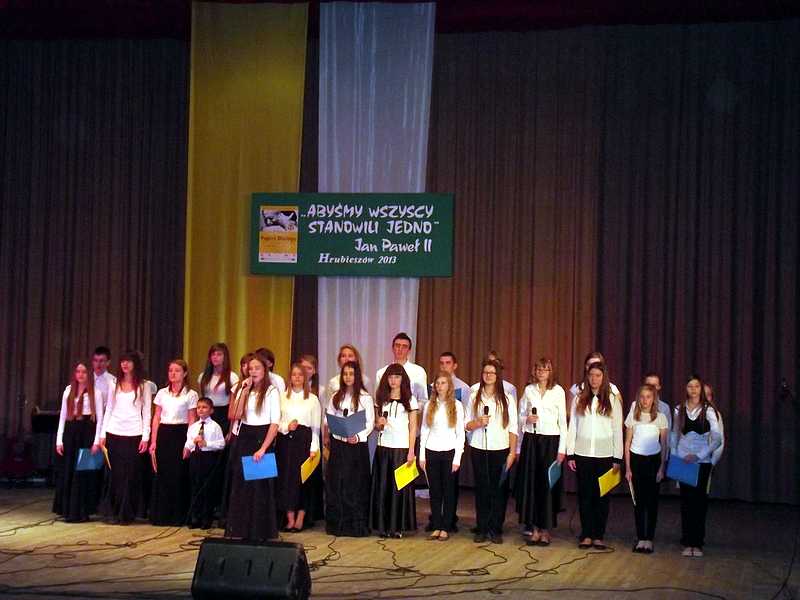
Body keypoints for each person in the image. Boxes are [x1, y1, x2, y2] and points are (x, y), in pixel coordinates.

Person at [566, 362, 623, 550]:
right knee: (585, 496)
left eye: (598, 375)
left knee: (602, 496)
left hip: (605, 455)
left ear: (603, 377)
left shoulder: (612, 399)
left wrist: (617, 458)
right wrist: (570, 453)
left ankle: (598, 535)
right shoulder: (579, 398)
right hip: (582, 454)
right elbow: (573, 426)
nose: (594, 379)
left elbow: (617, 430)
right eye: (591, 375)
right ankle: (586, 534)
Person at [225, 354, 281, 541]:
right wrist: (244, 392)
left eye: (257, 368)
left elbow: (274, 423)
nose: (253, 372)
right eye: (250, 369)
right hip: (245, 437)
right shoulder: (244, 389)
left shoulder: (271, 391)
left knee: (260, 487)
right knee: (242, 485)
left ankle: (261, 530)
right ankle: (241, 528)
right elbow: (235, 414)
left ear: (265, 370)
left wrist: (263, 448)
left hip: (262, 437)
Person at [465, 359, 518, 544]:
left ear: (497, 376)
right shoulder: (474, 396)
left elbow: (513, 428)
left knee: (499, 490)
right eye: (485, 372)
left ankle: (496, 528)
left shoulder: (507, 398)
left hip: (501, 449)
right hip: (479, 448)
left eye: (491, 373)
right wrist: (477, 422)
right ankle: (481, 527)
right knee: (482, 489)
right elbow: (466, 424)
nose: (488, 376)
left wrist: (512, 453)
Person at [515, 358, 567, 546]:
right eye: (538, 369)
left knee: (547, 486)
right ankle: (535, 529)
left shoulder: (558, 391)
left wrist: (562, 449)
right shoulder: (529, 390)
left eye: (545, 369)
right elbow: (519, 416)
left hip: (551, 442)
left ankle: (546, 530)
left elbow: (563, 422)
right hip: (531, 440)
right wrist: (526, 419)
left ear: (550, 372)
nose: (541, 372)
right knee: (532, 485)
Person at [671, 375, 722, 558]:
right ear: (686, 388)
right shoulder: (679, 409)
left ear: (701, 389)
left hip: (701, 462)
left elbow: (717, 438)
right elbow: (674, 435)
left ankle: (697, 543)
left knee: (699, 504)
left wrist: (699, 455)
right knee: (686, 503)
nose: (693, 390)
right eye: (690, 386)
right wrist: (676, 457)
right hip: (683, 461)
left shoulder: (708, 410)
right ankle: (687, 542)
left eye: (696, 386)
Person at [99, 350, 152, 524]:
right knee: (115, 475)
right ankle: (113, 512)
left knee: (130, 475)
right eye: (122, 361)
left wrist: (145, 437)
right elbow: (109, 409)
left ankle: (127, 513)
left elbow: (147, 412)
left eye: (128, 361)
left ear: (135, 364)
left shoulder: (144, 386)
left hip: (134, 433)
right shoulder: (114, 384)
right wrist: (102, 433)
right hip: (114, 432)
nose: (125, 364)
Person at [323, 361, 374, 537]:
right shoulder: (336, 396)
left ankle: (356, 525)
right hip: (339, 445)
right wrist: (333, 427)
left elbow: (370, 422)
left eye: (351, 374)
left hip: (356, 446)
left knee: (355, 484)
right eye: (345, 374)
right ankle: (337, 525)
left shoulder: (365, 398)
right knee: (337, 483)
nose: (348, 377)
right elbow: (328, 418)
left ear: (357, 375)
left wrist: (357, 436)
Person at [371, 364, 419, 538]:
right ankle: (382, 526)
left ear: (402, 379)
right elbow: (376, 426)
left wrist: (411, 451)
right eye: (390, 377)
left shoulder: (410, 400)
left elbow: (413, 427)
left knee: (399, 489)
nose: (393, 380)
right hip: (383, 447)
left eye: (397, 377)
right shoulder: (381, 399)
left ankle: (397, 527)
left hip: (402, 448)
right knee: (383, 487)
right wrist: (378, 424)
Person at [53, 360, 104, 522]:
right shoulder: (68, 391)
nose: (80, 375)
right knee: (69, 470)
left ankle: (82, 511)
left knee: (84, 472)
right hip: (71, 432)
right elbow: (63, 417)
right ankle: (69, 510)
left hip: (87, 433)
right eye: (78, 371)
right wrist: (59, 440)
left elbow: (100, 419)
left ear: (89, 374)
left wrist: (97, 441)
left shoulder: (96, 393)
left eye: (84, 372)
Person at [149, 359, 198, 526]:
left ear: (185, 373)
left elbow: (192, 420)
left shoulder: (191, 394)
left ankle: (178, 516)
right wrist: (153, 441)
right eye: (170, 370)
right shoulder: (162, 393)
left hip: (181, 433)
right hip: (164, 433)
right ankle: (161, 515)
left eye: (177, 370)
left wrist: (189, 443)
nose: (173, 374)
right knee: (163, 474)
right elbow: (156, 417)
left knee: (178, 474)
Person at [276, 363, 321, 532]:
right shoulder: (282, 397)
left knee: (303, 479)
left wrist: (314, 447)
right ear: (290, 377)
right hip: (286, 441)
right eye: (294, 374)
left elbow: (315, 427)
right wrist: (286, 427)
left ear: (305, 378)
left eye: (300, 375)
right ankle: (290, 518)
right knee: (287, 479)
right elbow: (276, 421)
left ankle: (301, 518)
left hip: (304, 441)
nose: (297, 377)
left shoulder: (312, 399)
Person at [419, 371, 464, 541]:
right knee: (435, 491)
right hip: (431, 451)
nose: (439, 386)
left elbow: (460, 434)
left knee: (449, 491)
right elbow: (424, 431)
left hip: (449, 452)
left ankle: (446, 526)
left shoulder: (457, 406)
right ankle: (437, 525)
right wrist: (422, 456)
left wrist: (457, 458)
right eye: (437, 383)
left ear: (449, 385)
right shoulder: (430, 405)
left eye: (443, 383)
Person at [625, 384, 669, 553]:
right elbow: (627, 443)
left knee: (652, 502)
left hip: (653, 462)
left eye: (648, 397)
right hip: (636, 461)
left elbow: (664, 444)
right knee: (639, 502)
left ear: (653, 399)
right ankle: (640, 538)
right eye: (642, 397)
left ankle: (649, 538)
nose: (645, 400)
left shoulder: (661, 417)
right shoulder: (633, 417)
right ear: (638, 398)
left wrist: (661, 468)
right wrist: (628, 468)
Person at [183, 397, 225, 529]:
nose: (201, 410)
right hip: (195, 458)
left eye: (204, 407)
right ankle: (195, 517)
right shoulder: (193, 427)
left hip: (208, 458)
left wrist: (207, 443)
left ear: (211, 410)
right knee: (195, 486)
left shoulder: (215, 427)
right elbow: (188, 443)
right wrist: (192, 443)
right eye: (199, 407)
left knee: (207, 488)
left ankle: (206, 519)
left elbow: (221, 444)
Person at [198, 343, 239, 436]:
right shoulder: (203, 376)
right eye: (213, 354)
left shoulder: (232, 377)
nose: (215, 357)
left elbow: (234, 404)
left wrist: (231, 429)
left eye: (219, 354)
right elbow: (201, 398)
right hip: (207, 413)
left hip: (224, 415)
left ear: (225, 357)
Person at [375, 333, 428, 405]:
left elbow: (423, 399)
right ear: (392, 348)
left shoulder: (419, 372)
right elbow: (378, 399)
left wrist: (412, 409)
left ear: (409, 350)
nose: (400, 349)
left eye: (404, 346)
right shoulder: (381, 372)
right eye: (397, 345)